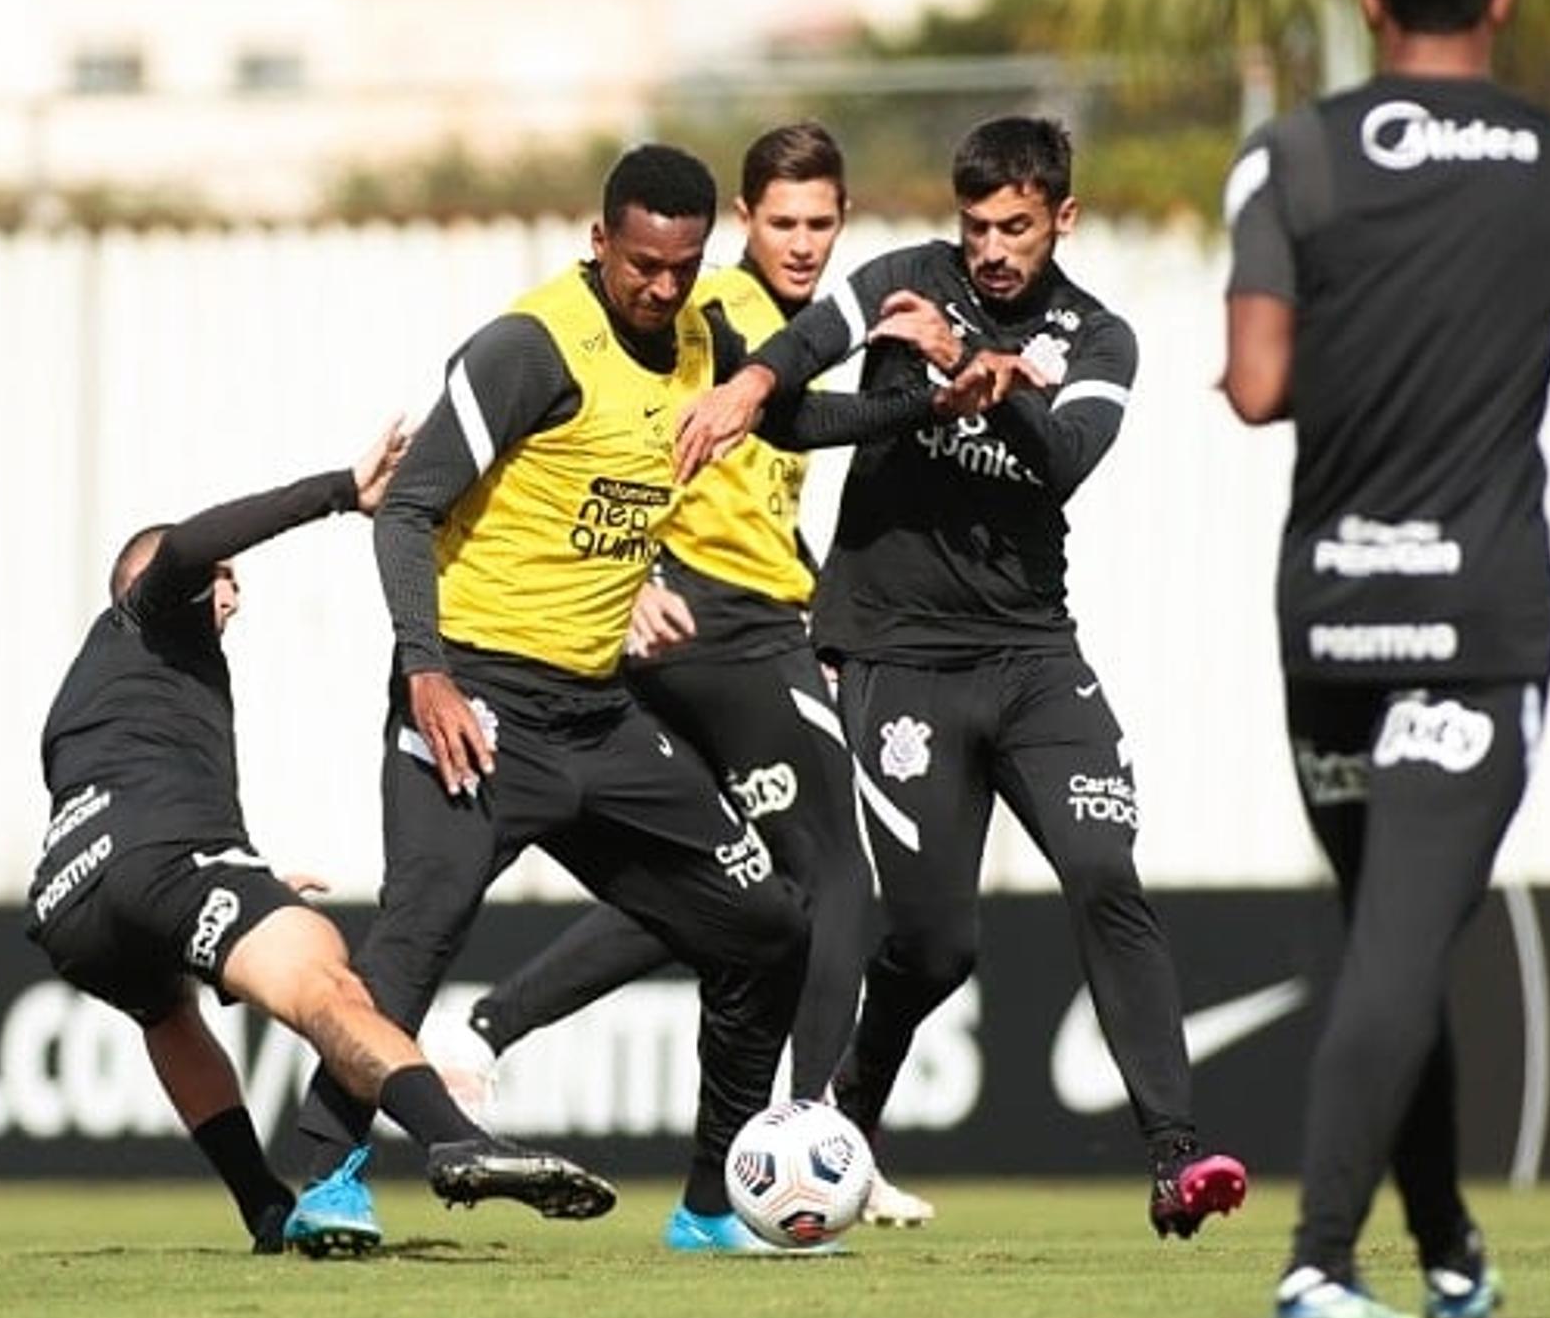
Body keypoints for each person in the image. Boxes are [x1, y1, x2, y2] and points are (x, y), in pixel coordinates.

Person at [287, 143, 991, 1255]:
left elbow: (788, 420)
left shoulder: (710, 337)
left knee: (764, 928)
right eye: (643, 265)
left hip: (599, 715)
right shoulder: (529, 348)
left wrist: (917, 398)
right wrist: (425, 670)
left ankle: (716, 1205)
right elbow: (408, 508)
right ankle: (324, 1180)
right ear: (601, 240)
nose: (662, 288)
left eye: (682, 266)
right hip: (476, 701)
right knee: (415, 938)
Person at [1222, 0, 1550, 1318]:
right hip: (1477, 630)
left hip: (1330, 618)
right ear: (1499, 1)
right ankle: (1314, 1258)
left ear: (1369, 1)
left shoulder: (1288, 158)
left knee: (1388, 930)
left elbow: (1254, 389)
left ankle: (1447, 1252)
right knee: (1402, 940)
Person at [675, 115, 1250, 1241]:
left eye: (1017, 228)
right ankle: (848, 1117)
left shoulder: (1100, 336)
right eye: (978, 225)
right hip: (896, 658)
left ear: (1062, 221)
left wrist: (975, 368)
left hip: (1035, 656)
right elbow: (804, 355)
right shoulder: (903, 282)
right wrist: (747, 388)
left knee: (1102, 867)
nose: (992, 249)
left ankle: (1175, 1154)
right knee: (939, 942)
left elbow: (1067, 458)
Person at [439, 122, 933, 1229]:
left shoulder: (790, 329)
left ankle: (490, 1026)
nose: (803, 243)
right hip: (714, 625)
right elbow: (622, 441)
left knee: (720, 892)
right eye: (783, 222)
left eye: (821, 223)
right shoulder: (706, 314)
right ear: (744, 223)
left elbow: (781, 451)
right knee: (840, 879)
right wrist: (646, 568)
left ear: (842, 220)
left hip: (752, 614)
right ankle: (819, 1132)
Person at [26, 421, 617, 1259]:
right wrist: (343, 491)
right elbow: (191, 541)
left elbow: (142, 792)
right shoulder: (147, 613)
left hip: (68, 901)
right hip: (160, 866)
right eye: (220, 580)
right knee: (326, 985)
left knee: (166, 1013)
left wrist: (243, 873)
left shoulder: (102, 685)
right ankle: (454, 1139)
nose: (230, 590)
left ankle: (264, 1206)